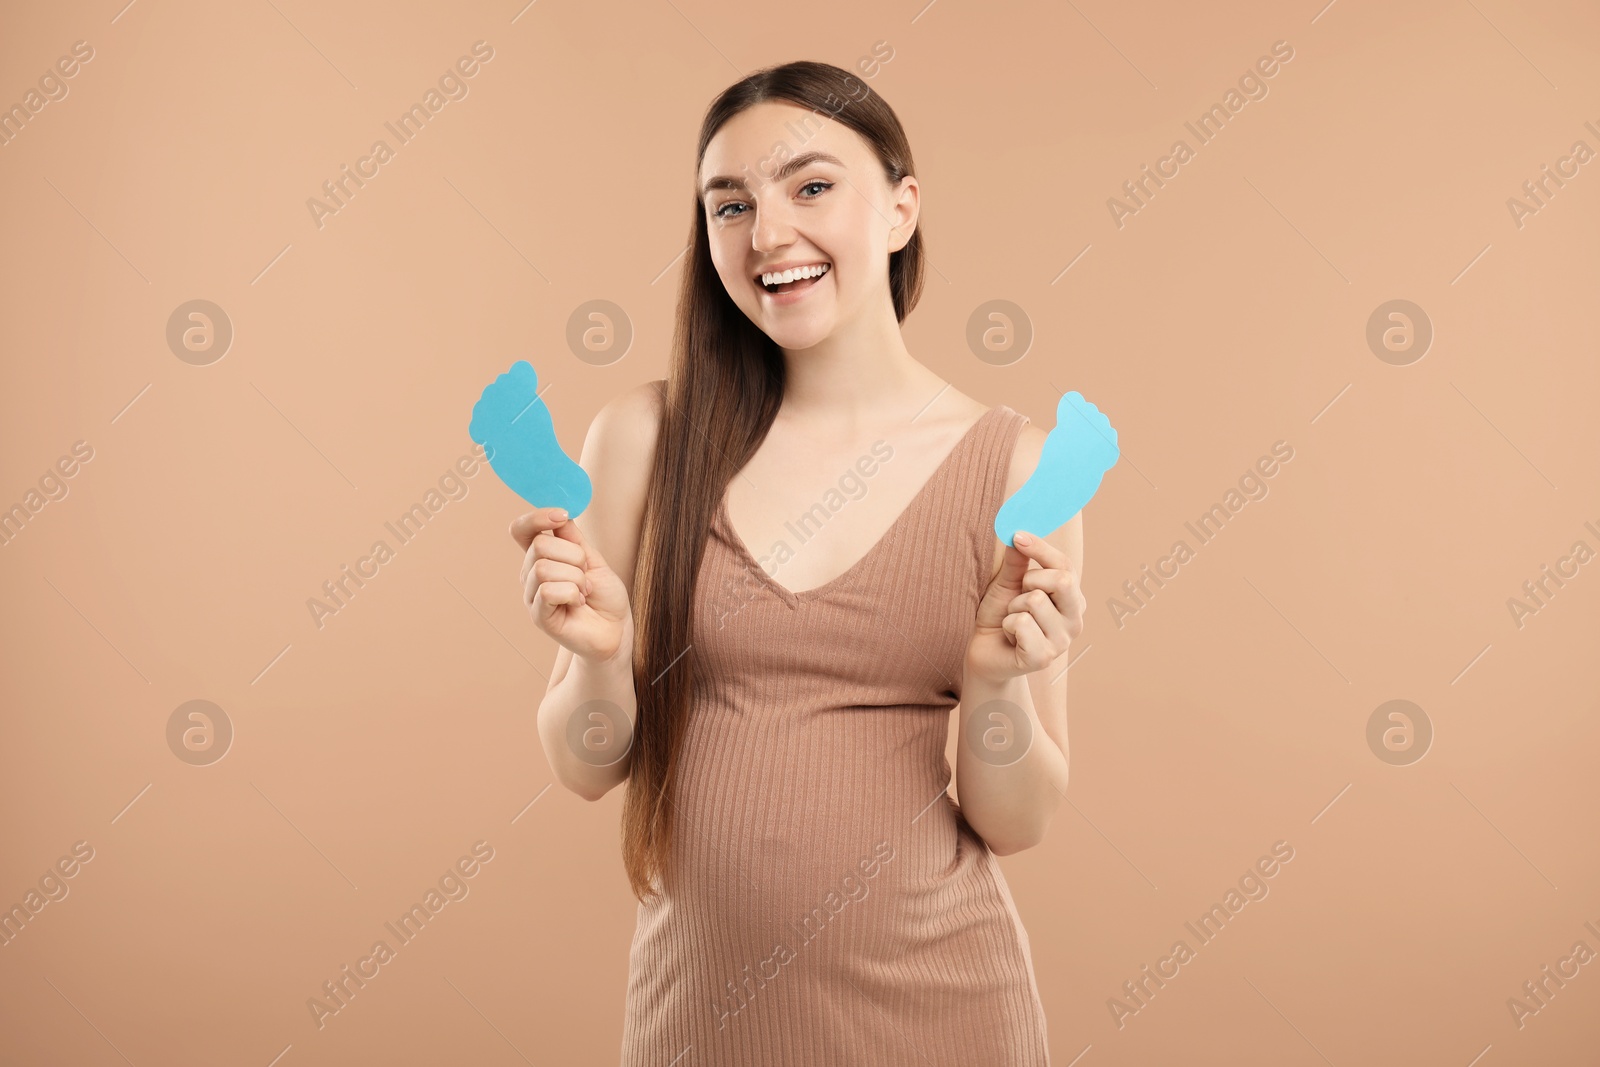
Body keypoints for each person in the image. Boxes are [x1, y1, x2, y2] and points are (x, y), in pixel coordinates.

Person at [509, 59, 1084, 1066]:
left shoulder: (1021, 469)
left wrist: (997, 686)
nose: (766, 233)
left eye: (810, 187)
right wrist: (601, 657)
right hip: (698, 1021)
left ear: (902, 208)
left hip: (945, 1019)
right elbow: (585, 763)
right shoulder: (645, 437)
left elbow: (1020, 816)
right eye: (728, 204)